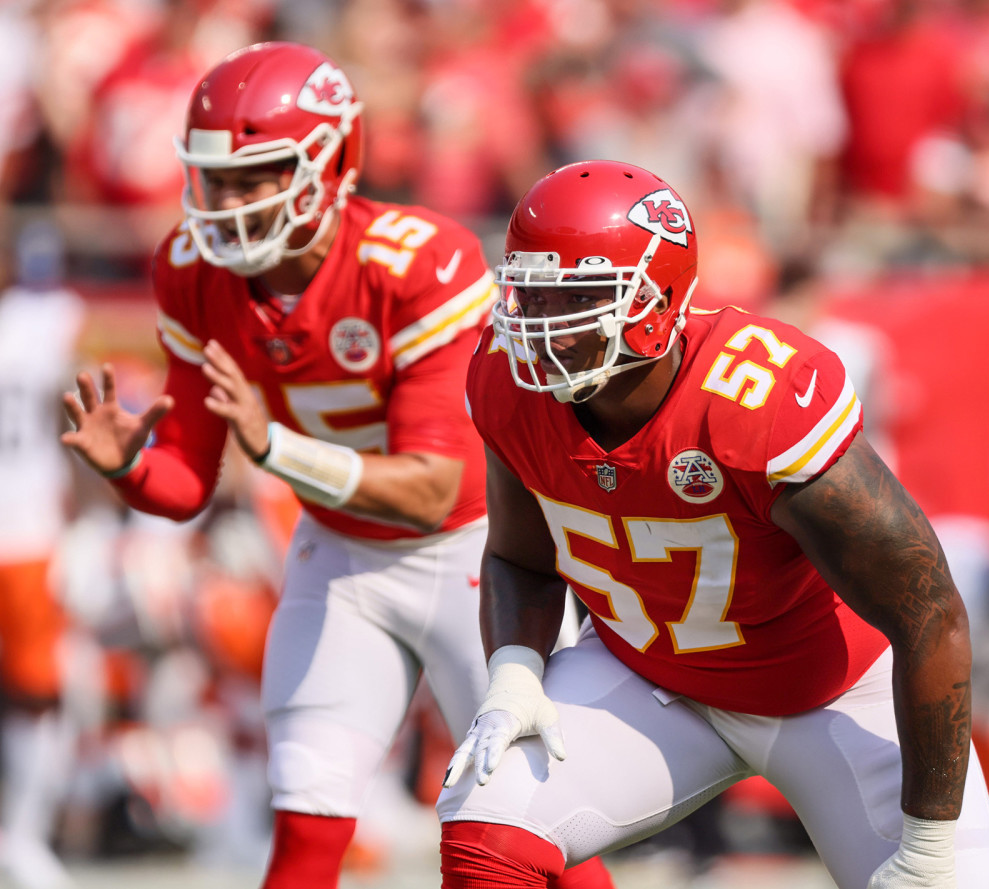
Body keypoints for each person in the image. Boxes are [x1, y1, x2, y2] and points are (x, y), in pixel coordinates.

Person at [61, 42, 611, 889]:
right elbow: (185, 482)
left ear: (332, 162)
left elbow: (433, 491)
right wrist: (130, 467)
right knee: (306, 817)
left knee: (537, 828)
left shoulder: (417, 261)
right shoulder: (191, 270)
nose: (233, 201)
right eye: (219, 177)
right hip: (345, 551)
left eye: (262, 174)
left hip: (479, 557)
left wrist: (274, 448)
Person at [437, 159, 989, 888]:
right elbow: (520, 556)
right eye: (532, 288)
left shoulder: (757, 400)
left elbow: (931, 612)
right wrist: (515, 676)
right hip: (648, 676)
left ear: (653, 300)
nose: (542, 320)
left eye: (576, 292)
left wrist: (928, 846)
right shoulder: (508, 377)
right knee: (483, 818)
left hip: (833, 692)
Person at [0, 220, 85, 889]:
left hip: (28, 529)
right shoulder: (46, 318)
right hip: (26, 528)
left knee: (38, 692)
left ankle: (24, 834)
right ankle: (23, 836)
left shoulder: (46, 317)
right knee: (35, 695)